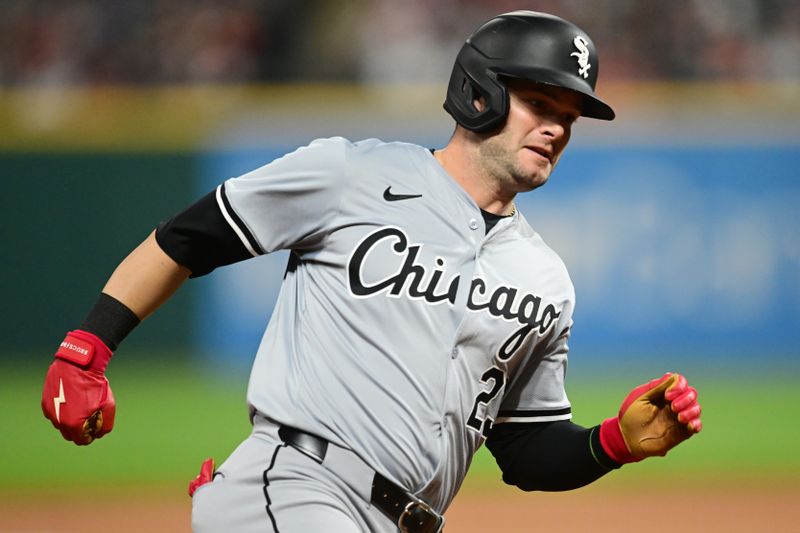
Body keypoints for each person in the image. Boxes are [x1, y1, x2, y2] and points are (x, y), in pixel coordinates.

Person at [42, 11, 702, 533]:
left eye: (569, 115)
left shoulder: (545, 280)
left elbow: (527, 451)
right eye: (540, 102)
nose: (557, 127)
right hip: (299, 486)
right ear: (481, 94)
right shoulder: (351, 175)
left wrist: (615, 442)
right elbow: (188, 239)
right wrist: (86, 349)